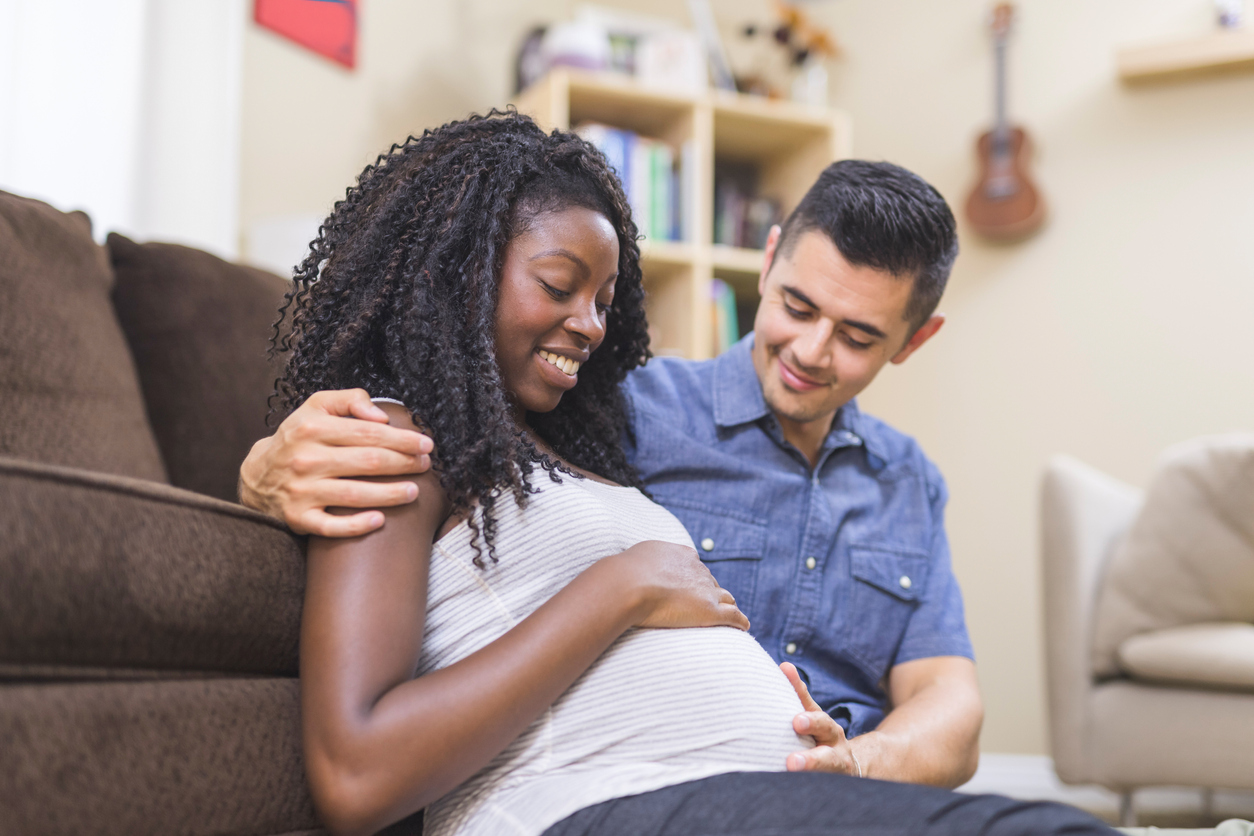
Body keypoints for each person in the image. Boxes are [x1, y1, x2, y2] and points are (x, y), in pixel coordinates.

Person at [273, 110, 1114, 836]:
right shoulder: (626, 413)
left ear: (913, 341)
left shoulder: (595, 431)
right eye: (796, 306)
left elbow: (951, 705)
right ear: (770, 259)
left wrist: (858, 766)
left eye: (857, 337)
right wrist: (264, 469)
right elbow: (358, 756)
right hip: (617, 799)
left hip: (799, 791)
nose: (812, 352)